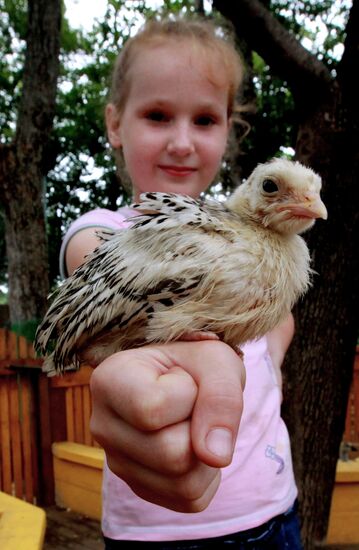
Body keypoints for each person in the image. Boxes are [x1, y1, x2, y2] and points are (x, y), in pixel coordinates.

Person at [59, 15, 303, 549]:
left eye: (205, 121)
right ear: (114, 124)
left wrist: (269, 361)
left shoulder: (251, 231)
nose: (182, 142)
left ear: (228, 132)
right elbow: (101, 268)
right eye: (158, 115)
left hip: (275, 507)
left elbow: (280, 316)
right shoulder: (108, 232)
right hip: (157, 527)